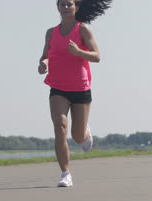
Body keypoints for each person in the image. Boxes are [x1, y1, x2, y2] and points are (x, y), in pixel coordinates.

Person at [38, 0, 112, 187]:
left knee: (77, 136)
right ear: (57, 7)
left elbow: (97, 56)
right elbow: (46, 55)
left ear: (76, 7)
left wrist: (78, 51)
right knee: (60, 127)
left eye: (69, 4)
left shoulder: (83, 30)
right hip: (57, 87)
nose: (65, 7)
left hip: (80, 87)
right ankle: (65, 174)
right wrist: (43, 64)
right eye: (62, 4)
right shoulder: (51, 33)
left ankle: (85, 133)